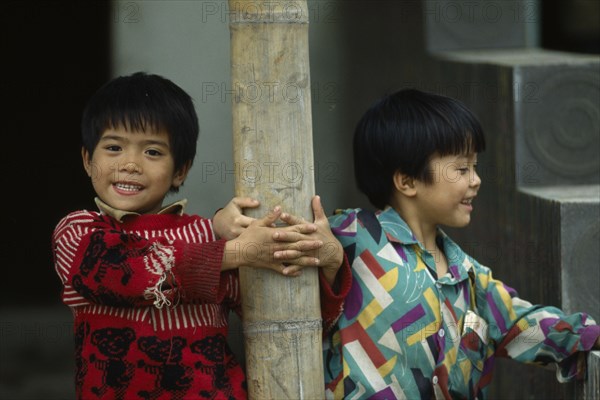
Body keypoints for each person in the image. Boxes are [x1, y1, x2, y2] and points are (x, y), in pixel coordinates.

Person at [217, 88, 600, 399]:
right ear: (407, 181)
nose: (476, 180)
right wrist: (223, 221)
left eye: (476, 167)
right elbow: (262, 239)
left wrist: (589, 336)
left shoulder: (470, 277)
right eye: (462, 168)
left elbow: (525, 325)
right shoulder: (352, 237)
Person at [51, 72, 351, 400]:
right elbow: (127, 272)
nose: (130, 164)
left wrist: (330, 262)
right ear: (87, 160)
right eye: (113, 147)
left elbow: (294, 323)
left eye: (152, 152)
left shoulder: (214, 237)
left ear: (180, 169)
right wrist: (233, 249)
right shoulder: (78, 232)